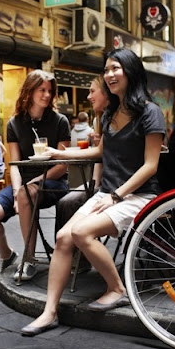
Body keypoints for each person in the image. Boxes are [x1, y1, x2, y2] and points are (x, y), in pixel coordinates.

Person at [20, 48, 165, 336]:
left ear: (131, 71)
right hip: (108, 194)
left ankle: (116, 288)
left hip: (138, 196)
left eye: (116, 68)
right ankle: (49, 312)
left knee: (81, 233)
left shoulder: (151, 111)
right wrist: (56, 153)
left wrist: (116, 195)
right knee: (64, 236)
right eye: (107, 69)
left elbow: (150, 165)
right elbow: (100, 151)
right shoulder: (110, 111)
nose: (109, 75)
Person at [0, 70, 71, 282]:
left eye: (50, 91)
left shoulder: (60, 121)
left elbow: (62, 166)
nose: (47, 95)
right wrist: (16, 190)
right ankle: (7, 255)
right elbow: (15, 164)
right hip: (23, 184)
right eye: (42, 90)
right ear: (29, 92)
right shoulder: (14, 123)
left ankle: (29, 260)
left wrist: (28, 186)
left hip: (53, 182)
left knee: (25, 194)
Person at [55, 78, 109, 236]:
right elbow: (98, 154)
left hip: (114, 185)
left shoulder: (114, 119)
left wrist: (60, 153)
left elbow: (100, 153)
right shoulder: (98, 120)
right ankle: (68, 251)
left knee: (67, 202)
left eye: (92, 91)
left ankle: (74, 254)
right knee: (64, 203)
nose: (88, 96)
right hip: (101, 180)